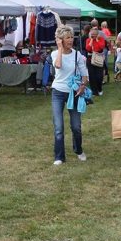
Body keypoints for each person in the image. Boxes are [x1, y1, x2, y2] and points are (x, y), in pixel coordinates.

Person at [49, 26, 89, 165]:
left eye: (72, 37)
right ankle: (59, 157)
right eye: (67, 37)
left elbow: (85, 75)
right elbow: (58, 66)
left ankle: (78, 150)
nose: (70, 40)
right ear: (60, 40)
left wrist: (83, 86)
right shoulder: (55, 54)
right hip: (58, 92)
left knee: (76, 126)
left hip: (74, 92)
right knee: (59, 127)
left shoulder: (77, 55)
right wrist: (60, 49)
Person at [85, 26, 107, 95]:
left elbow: (102, 47)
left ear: (98, 34)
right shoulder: (88, 40)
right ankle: (94, 91)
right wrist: (91, 40)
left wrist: (97, 40)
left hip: (99, 58)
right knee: (92, 76)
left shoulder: (101, 39)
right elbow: (88, 48)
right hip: (90, 58)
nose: (93, 36)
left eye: (95, 34)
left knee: (99, 76)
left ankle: (99, 89)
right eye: (92, 34)